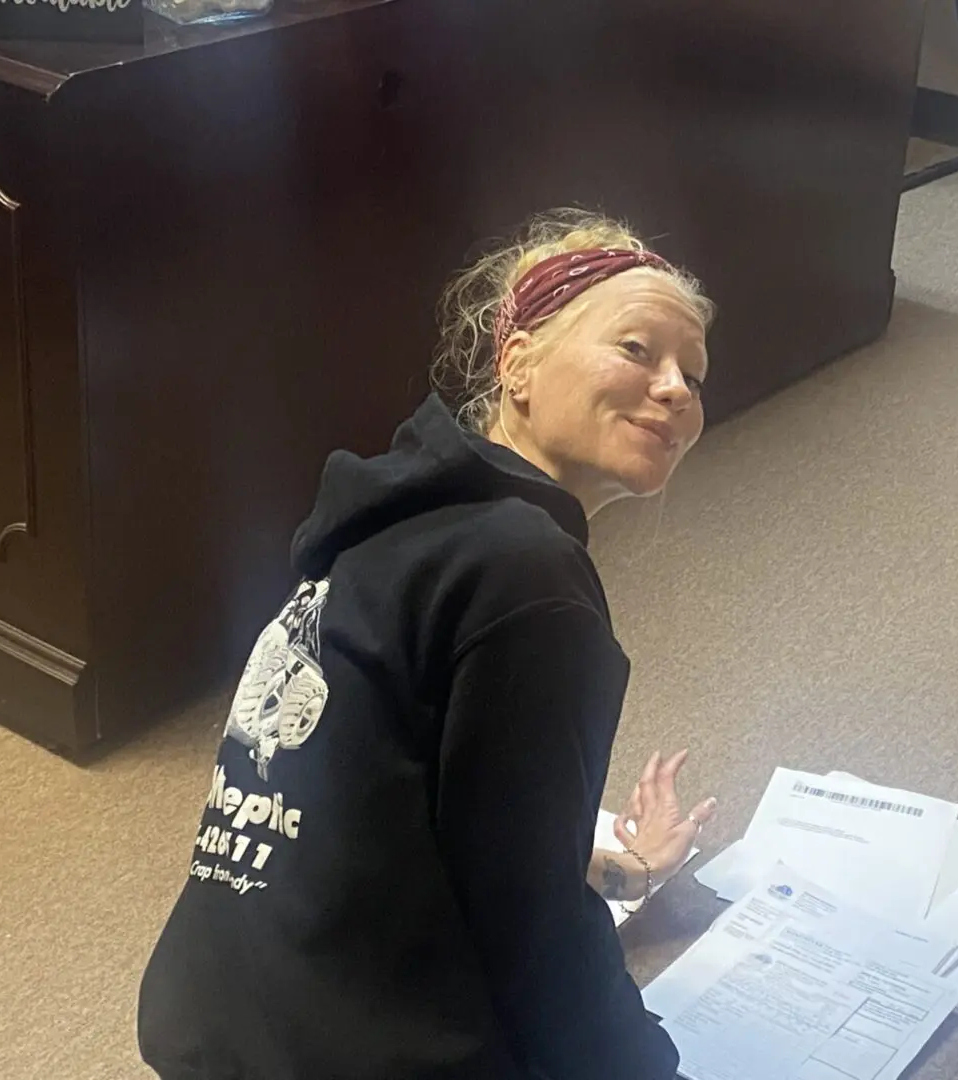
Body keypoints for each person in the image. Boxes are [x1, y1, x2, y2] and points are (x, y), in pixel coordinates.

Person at [138, 210, 720, 1080]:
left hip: (215, 1020)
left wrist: (622, 869)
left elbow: (387, 815)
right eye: (638, 349)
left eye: (692, 373)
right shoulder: (528, 576)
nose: (676, 388)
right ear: (517, 360)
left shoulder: (405, 526)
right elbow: (534, 926)